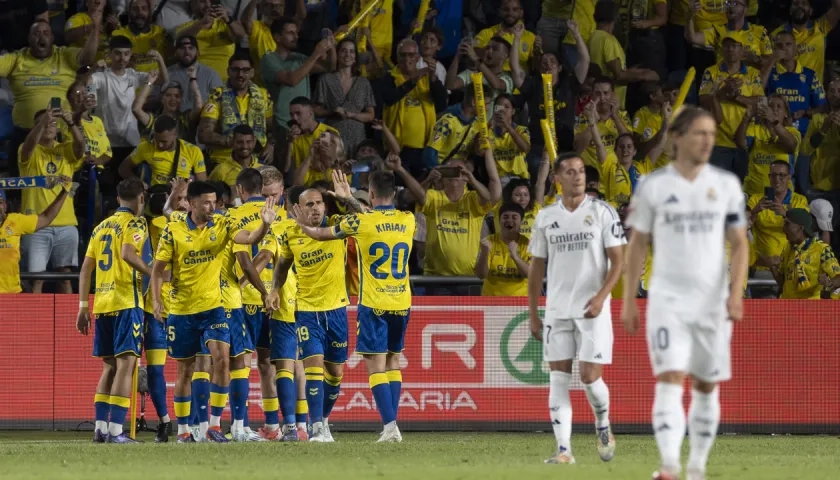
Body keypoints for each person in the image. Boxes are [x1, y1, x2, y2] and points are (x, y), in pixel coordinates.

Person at [622, 106, 750, 480]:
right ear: (677, 138)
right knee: (670, 378)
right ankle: (668, 467)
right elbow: (637, 244)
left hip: (712, 303)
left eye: (711, 133)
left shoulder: (726, 185)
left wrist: (736, 294)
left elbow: (740, 244)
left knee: (706, 385)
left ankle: (696, 468)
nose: (708, 140)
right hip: (668, 301)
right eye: (700, 133)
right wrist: (629, 299)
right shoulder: (654, 186)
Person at [285, 168, 414, 443]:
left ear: (370, 192)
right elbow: (373, 217)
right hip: (402, 302)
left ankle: (390, 427)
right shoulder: (408, 219)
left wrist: (301, 224)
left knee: (376, 366)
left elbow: (321, 235)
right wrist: (348, 201)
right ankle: (391, 426)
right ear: (395, 193)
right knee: (393, 363)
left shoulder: (359, 224)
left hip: (373, 303)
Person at [151, 180, 276, 443]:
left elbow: (249, 238)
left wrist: (264, 225)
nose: (212, 206)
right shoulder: (173, 228)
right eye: (206, 202)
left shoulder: (223, 222)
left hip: (214, 307)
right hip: (182, 309)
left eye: (214, 201)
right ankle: (184, 430)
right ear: (192, 203)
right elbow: (157, 269)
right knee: (186, 370)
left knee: (222, 359)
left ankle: (214, 426)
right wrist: (156, 300)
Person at [527, 151, 625, 465]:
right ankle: (563, 449)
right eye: (570, 171)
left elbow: (618, 261)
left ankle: (603, 423)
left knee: (589, 378)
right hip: (557, 310)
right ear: (557, 178)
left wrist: (601, 297)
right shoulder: (545, 217)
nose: (578, 176)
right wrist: (533, 313)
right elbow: (536, 269)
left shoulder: (603, 212)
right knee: (558, 378)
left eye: (581, 171)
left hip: (593, 310)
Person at [265, 172, 366, 442]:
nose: (316, 208)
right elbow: (283, 265)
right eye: (309, 204)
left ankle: (323, 421)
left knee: (334, 374)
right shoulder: (290, 234)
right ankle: (316, 427)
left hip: (337, 310)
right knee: (313, 368)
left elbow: (366, 219)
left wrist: (349, 199)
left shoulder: (337, 226)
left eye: (319, 202)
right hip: (307, 311)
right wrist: (275, 289)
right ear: (297, 208)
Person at [76, 178, 150, 443]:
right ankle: (117, 431)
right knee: (126, 367)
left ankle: (100, 428)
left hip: (103, 303)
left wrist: (83, 306)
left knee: (108, 368)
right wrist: (154, 272)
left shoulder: (100, 227)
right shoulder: (135, 223)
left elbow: (85, 269)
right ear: (141, 198)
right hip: (126, 302)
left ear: (118, 198)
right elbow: (129, 254)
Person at [19, 108, 87, 295]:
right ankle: (34, 322)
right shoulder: (28, 151)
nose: (48, 125)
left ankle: (70, 323)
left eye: (52, 122)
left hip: (66, 225)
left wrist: (71, 123)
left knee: (66, 278)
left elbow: (81, 148)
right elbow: (28, 146)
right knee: (36, 280)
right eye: (42, 122)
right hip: (36, 225)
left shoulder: (65, 150)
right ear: (35, 127)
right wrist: (43, 122)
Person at [200, 51, 276, 166]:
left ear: (252, 72)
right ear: (228, 72)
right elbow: (204, 134)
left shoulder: (263, 95)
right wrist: (236, 143)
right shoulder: (217, 95)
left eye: (245, 70)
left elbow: (272, 129)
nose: (240, 74)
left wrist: (271, 145)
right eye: (236, 70)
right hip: (224, 161)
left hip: (256, 161)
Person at [0, 179, 72, 294]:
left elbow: (46, 217)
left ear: (5, 205)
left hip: (11, 293)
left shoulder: (16, 221)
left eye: (0, 202)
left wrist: (64, 192)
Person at [768, 208, 840, 299]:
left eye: (787, 224)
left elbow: (838, 277)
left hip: (811, 307)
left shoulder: (822, 249)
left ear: (800, 228)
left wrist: (829, 282)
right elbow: (783, 283)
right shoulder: (788, 248)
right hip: (788, 306)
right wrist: (773, 269)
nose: (783, 228)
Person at [477, 202, 530, 297]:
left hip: (520, 302)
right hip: (491, 301)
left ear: (521, 221)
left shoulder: (528, 244)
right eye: (505, 217)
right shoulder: (489, 241)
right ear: (499, 220)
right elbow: (481, 275)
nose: (509, 220)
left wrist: (516, 257)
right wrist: (484, 254)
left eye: (514, 217)